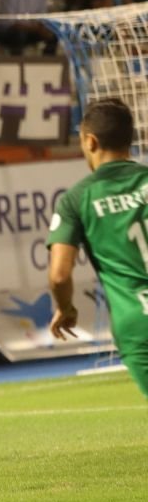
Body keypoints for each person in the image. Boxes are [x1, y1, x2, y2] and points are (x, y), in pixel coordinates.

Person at [48, 98, 148, 397]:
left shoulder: (76, 199)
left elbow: (59, 276)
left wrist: (65, 307)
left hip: (138, 321)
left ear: (90, 141)